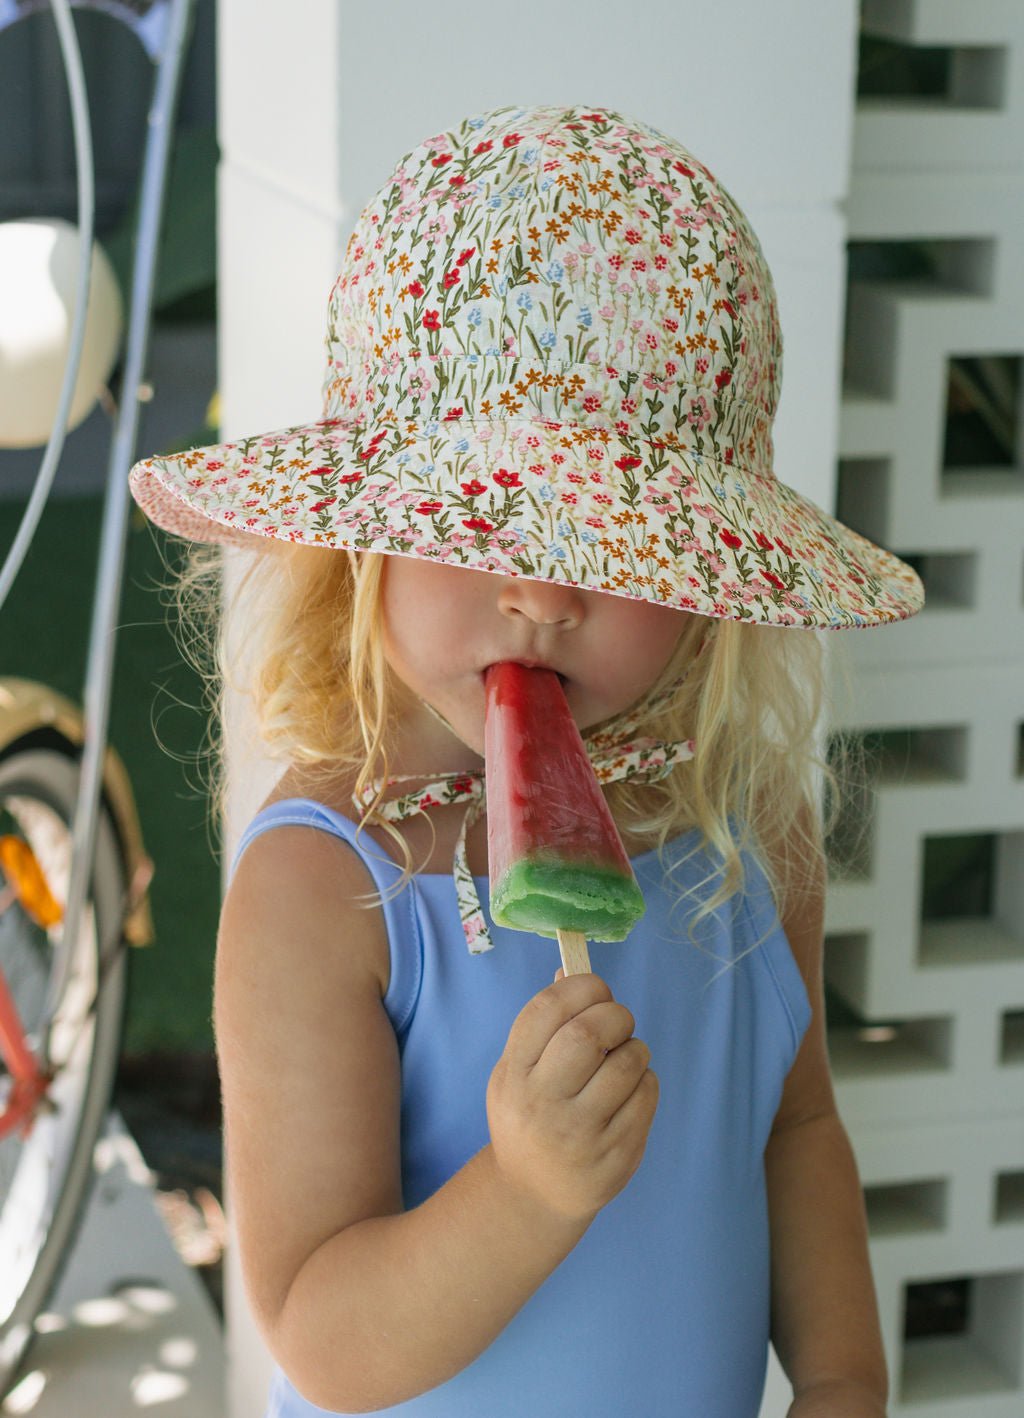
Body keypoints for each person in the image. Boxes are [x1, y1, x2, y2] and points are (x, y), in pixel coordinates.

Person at [130, 103, 924, 1418]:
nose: (546, 595)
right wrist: (526, 1191)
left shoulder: (748, 829)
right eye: (485, 520)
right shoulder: (326, 887)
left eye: (617, 544)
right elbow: (320, 1334)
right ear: (367, 536)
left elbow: (796, 1130)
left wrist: (843, 1377)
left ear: (707, 576)